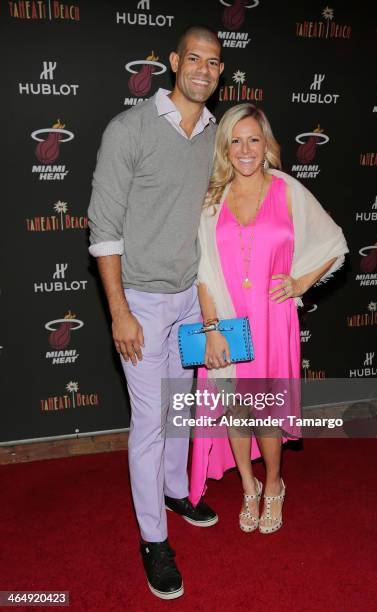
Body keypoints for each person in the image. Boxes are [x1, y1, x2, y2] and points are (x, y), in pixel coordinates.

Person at [87, 26, 224, 600]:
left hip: (191, 297)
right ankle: (153, 539)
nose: (203, 70)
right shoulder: (130, 129)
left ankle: (176, 490)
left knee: (183, 406)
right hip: (140, 300)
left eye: (214, 62)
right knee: (149, 423)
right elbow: (103, 230)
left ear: (221, 71)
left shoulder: (215, 133)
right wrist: (119, 311)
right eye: (193, 58)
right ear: (173, 62)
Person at [189, 103, 348, 534]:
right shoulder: (211, 199)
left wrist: (300, 283)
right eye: (235, 141)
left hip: (272, 321)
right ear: (225, 148)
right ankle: (248, 486)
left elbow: (335, 242)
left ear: (267, 146)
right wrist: (211, 328)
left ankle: (274, 484)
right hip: (227, 320)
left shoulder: (287, 189)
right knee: (237, 409)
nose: (245, 149)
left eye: (253, 140)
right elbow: (202, 273)